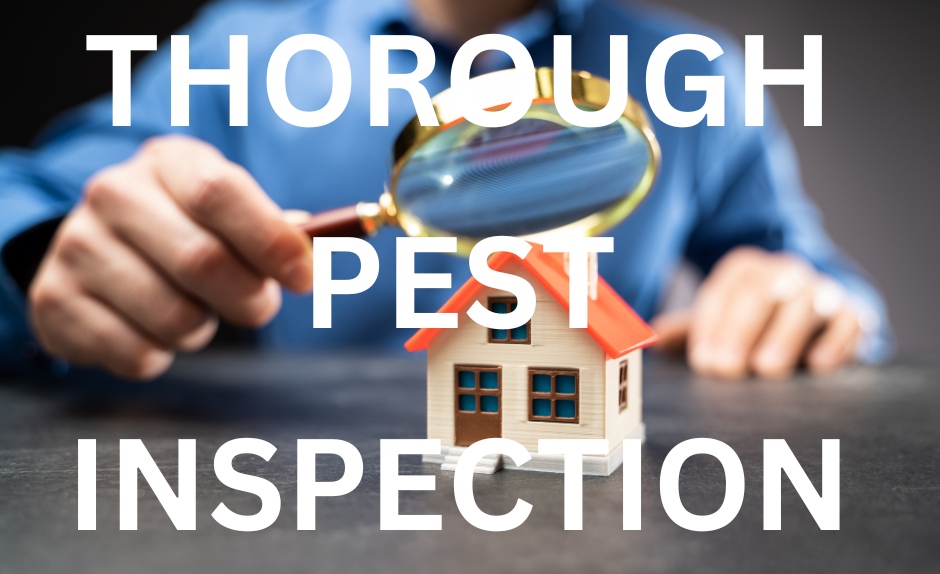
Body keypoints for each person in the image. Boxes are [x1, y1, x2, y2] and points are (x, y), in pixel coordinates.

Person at [0, 0, 892, 381]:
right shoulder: (242, 44)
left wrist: (815, 303)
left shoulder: (698, 78)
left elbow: (821, 284)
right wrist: (45, 249)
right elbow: (32, 193)